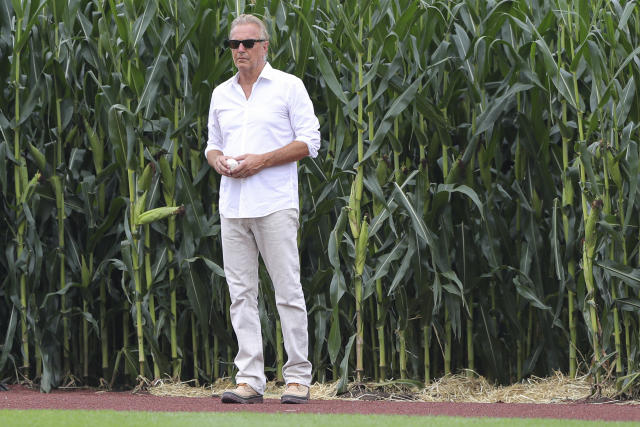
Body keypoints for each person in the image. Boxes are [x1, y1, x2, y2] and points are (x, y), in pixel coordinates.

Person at [205, 14, 320, 404]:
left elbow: (309, 142)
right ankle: (250, 379)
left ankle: (297, 378)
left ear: (265, 46)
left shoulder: (289, 87)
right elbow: (212, 142)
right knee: (241, 295)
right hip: (232, 206)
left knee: (287, 291)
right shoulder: (221, 93)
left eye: (248, 43)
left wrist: (262, 161)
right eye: (233, 44)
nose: (240, 50)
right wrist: (217, 160)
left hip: (274, 203)